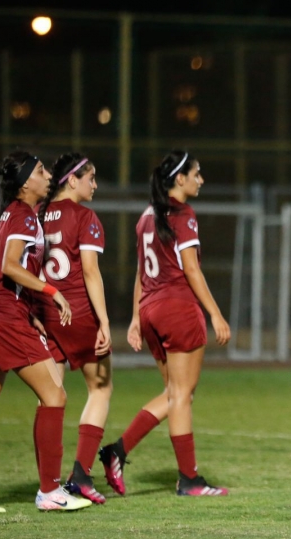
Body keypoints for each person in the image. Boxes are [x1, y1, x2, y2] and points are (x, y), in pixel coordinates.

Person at [0, 151, 91, 514]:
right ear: (26, 182)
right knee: (55, 395)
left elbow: (2, 271)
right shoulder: (25, 215)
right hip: (1, 317)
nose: (48, 176)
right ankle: (50, 492)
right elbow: (10, 266)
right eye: (42, 171)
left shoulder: (10, 215)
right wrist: (52, 292)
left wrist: (31, 313)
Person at [98, 150, 231, 498]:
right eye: (197, 174)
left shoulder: (147, 215)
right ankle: (186, 479)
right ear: (180, 179)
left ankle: (124, 453)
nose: (201, 180)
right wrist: (215, 313)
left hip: (151, 310)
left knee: (174, 394)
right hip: (178, 308)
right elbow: (191, 269)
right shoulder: (182, 214)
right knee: (182, 395)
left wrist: (134, 318)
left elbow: (142, 271)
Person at [34, 153, 112, 505]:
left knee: (49, 399)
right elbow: (91, 272)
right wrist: (105, 321)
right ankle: (80, 476)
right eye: (90, 178)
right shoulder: (85, 217)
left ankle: (48, 485)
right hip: (78, 313)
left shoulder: (36, 213)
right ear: (72, 180)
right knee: (101, 389)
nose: (95, 185)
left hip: (44, 313)